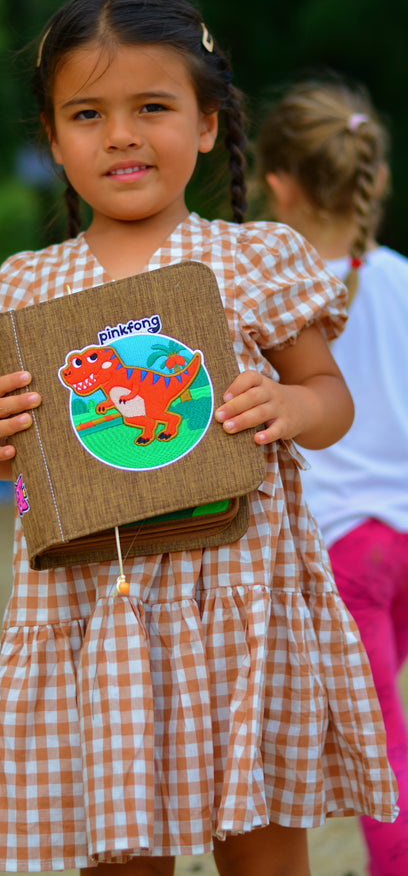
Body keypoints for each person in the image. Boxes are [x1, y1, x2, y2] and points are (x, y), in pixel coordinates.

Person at [0, 0, 398, 875]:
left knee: (263, 844)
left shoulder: (255, 260)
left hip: (239, 607)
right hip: (95, 611)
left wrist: (292, 408)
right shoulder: (22, 291)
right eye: (87, 113)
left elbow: (329, 398)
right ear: (52, 136)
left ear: (211, 123)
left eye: (153, 106)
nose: (120, 134)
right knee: (121, 849)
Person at [254, 77, 408, 876]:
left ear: (278, 183)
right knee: (383, 732)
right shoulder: (404, 280)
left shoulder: (272, 295)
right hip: (405, 541)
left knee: (383, 757)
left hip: (344, 552)